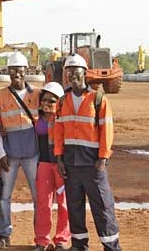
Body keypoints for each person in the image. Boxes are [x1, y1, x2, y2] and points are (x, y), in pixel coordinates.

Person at [55, 55, 121, 251]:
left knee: (102, 206)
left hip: (93, 164)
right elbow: (58, 132)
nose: (72, 74)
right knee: (74, 207)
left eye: (76, 70)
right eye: (69, 70)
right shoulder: (62, 101)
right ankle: (79, 244)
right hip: (70, 164)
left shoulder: (98, 99)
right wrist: (59, 157)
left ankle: (111, 246)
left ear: (84, 73)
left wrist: (102, 158)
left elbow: (106, 130)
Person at [0, 52, 41, 249]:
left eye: (19, 71)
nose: (16, 75)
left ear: (26, 71)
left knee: (38, 197)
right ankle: (4, 234)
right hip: (9, 156)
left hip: (32, 154)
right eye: (12, 71)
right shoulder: (0, 96)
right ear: (8, 72)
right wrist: (1, 154)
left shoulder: (36, 94)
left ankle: (40, 237)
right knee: (4, 196)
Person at [33, 82, 70, 251]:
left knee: (64, 204)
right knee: (43, 204)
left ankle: (61, 240)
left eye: (51, 101)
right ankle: (42, 241)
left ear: (59, 102)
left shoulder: (64, 119)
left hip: (61, 166)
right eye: (44, 100)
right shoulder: (36, 120)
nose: (46, 103)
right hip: (44, 165)